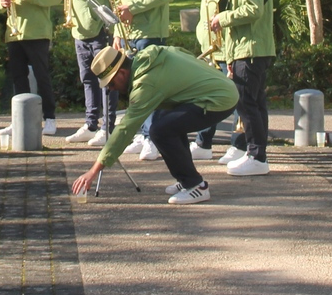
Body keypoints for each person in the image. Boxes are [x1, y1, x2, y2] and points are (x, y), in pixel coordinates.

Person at [69, 44, 239, 205]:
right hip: (221, 88)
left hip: (219, 100)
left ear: (121, 73)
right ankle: (186, 179)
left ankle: (196, 186)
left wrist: (93, 171)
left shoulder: (145, 83)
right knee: (165, 122)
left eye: (111, 83)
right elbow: (183, 53)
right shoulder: (149, 55)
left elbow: (125, 129)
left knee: (159, 131)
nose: (111, 89)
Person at [211, 0, 276, 177]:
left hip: (250, 49)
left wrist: (223, 18)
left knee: (247, 103)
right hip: (250, 48)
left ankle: (256, 156)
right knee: (255, 103)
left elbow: (252, 9)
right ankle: (257, 154)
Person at [115, 0, 177, 160]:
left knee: (151, 87)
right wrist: (117, 31)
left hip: (149, 31)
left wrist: (134, 7)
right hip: (129, 34)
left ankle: (154, 138)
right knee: (136, 88)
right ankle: (142, 134)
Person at [58, 0, 121, 147]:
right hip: (80, 30)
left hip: (101, 30)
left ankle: (107, 127)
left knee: (107, 79)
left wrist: (117, 31)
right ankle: (91, 124)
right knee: (87, 78)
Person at [0, 0, 62, 136]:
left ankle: (49, 118)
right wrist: (1, 4)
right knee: (18, 78)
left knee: (42, 76)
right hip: (14, 35)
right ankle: (20, 120)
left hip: (37, 33)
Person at [195, 0, 237, 161]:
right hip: (212, 50)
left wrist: (231, 56)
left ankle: (239, 146)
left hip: (227, 51)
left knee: (240, 103)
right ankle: (203, 143)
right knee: (208, 99)